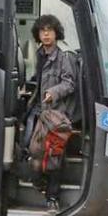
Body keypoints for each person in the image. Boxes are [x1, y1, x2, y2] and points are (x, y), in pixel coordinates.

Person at [24, 15, 76, 205]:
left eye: (49, 30)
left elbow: (69, 83)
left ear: (56, 33)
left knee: (53, 154)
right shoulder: (39, 54)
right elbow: (36, 79)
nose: (46, 34)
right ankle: (39, 181)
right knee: (28, 145)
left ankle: (52, 195)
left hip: (55, 113)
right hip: (38, 110)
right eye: (42, 30)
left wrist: (53, 93)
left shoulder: (63, 56)